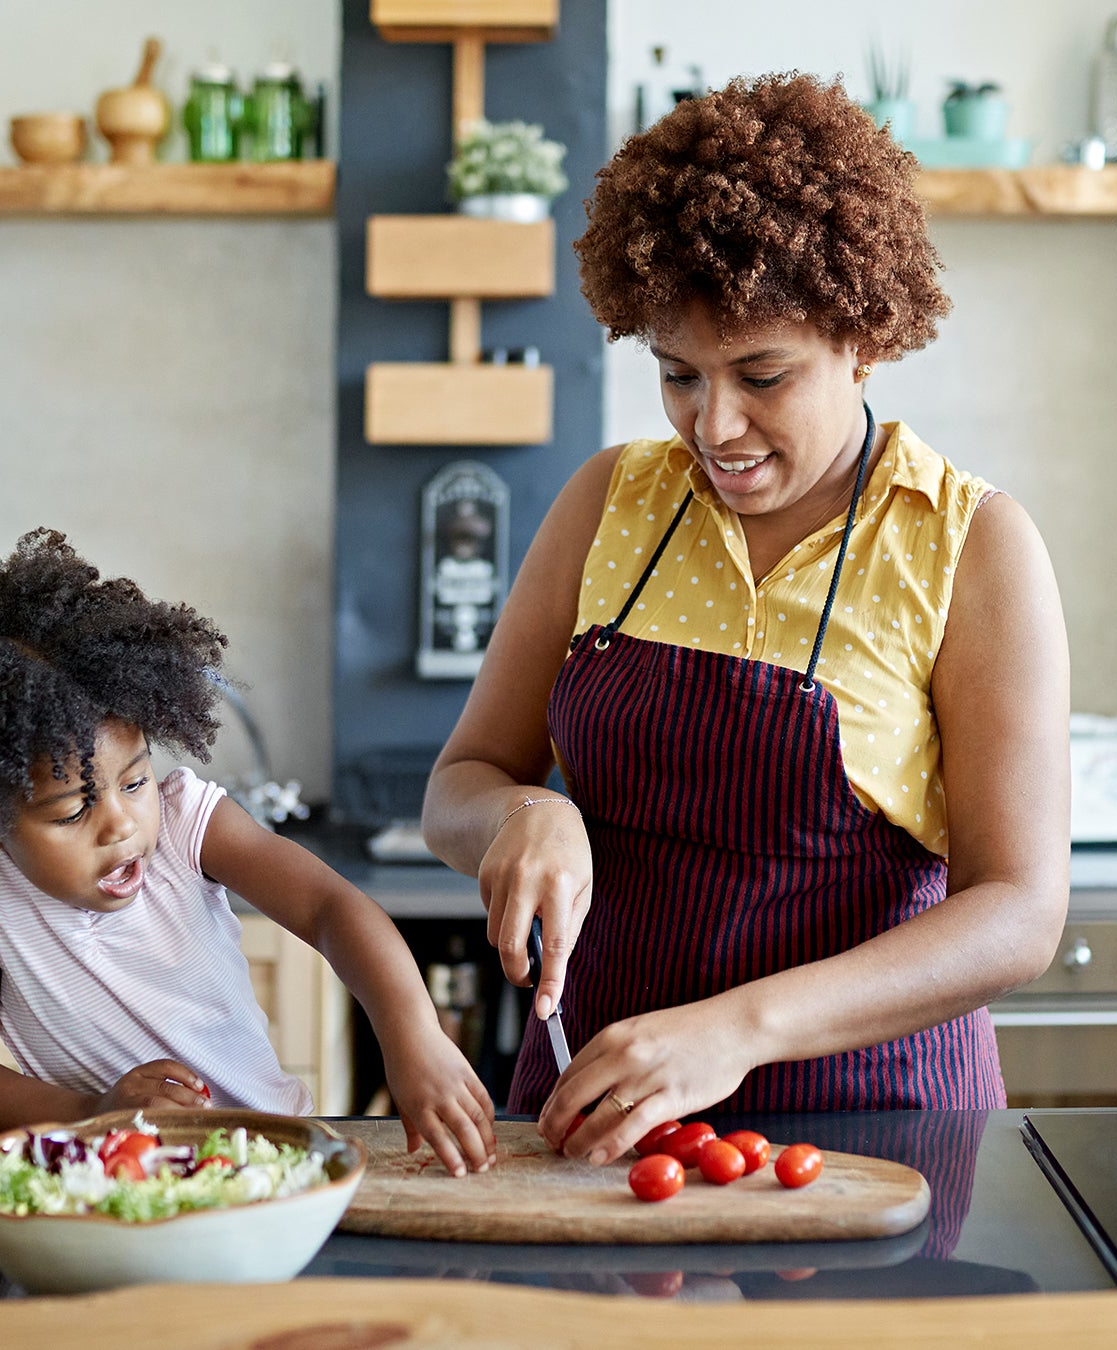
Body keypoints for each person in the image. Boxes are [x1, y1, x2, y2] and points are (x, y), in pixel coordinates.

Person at [422, 73, 1071, 1163]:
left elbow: (1018, 911)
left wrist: (737, 1031)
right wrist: (522, 813)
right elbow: (461, 783)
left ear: (865, 337)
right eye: (678, 375)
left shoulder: (965, 543)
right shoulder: (610, 502)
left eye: (761, 375)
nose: (713, 425)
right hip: (596, 1115)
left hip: (872, 1134)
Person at [0, 529, 496, 1174]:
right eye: (70, 811)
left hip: (269, 1163)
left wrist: (412, 1035)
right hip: (105, 1183)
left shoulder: (185, 825)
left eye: (135, 781)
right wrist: (97, 1110)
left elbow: (331, 907)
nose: (121, 825)